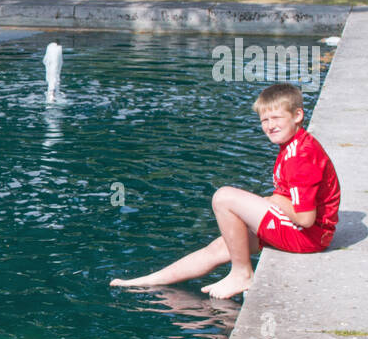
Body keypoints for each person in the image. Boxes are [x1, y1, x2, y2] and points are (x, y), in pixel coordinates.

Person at [110, 83, 340, 299]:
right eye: (264, 120)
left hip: (308, 237)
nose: (270, 125)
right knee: (223, 245)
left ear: (297, 116)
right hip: (303, 231)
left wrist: (272, 201)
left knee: (224, 197)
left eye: (277, 118)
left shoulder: (300, 157)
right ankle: (149, 281)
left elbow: (306, 218)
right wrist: (270, 202)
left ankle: (242, 274)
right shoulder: (293, 145)